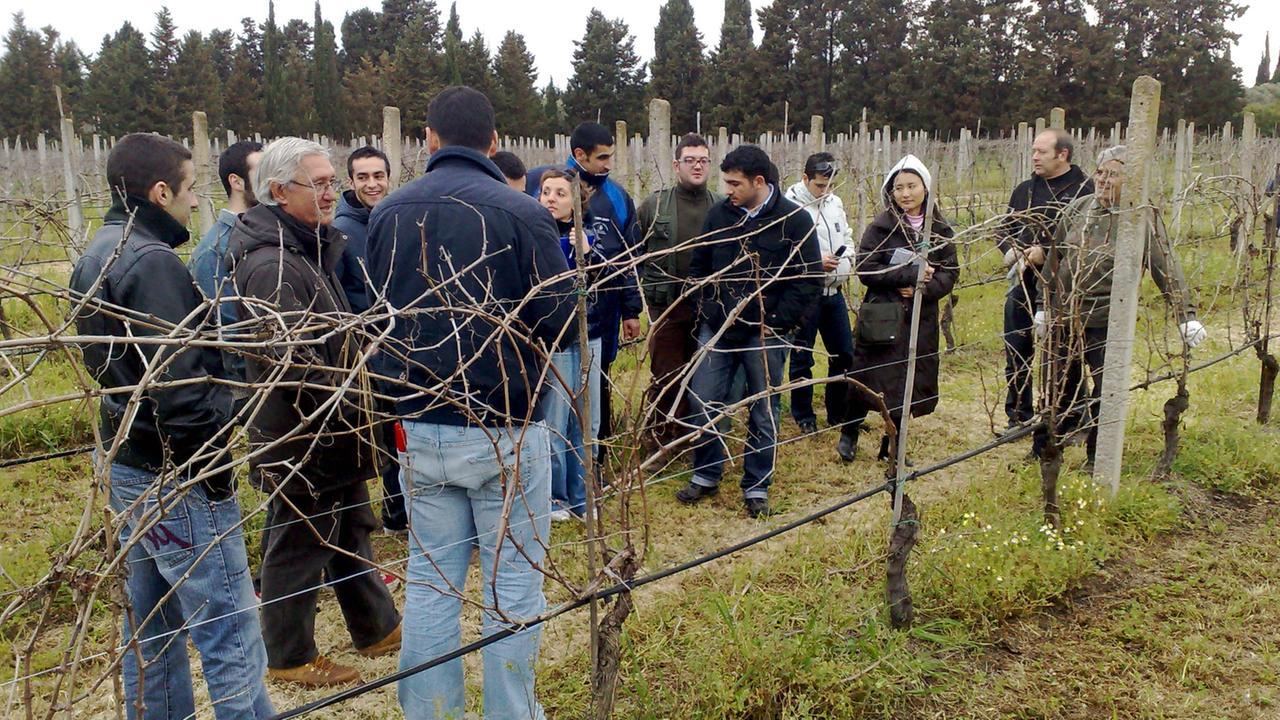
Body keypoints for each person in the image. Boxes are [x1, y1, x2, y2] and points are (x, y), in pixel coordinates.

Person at [365, 86, 575, 720]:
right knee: (512, 584)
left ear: (427, 139)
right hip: (504, 425)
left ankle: (430, 714)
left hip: (421, 423)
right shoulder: (522, 213)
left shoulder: (388, 212)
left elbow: (378, 317)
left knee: (431, 583)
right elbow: (559, 316)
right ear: (493, 142)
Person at [69, 133, 273, 719]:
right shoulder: (154, 264)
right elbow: (180, 392)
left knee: (153, 628)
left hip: (129, 464)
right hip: (176, 474)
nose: (193, 202)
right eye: (188, 189)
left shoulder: (102, 247)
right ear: (160, 192)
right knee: (230, 634)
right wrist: (211, 478)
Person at [228, 137, 401, 688]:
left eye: (333, 181)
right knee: (298, 544)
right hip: (304, 433)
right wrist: (339, 411)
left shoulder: (307, 246)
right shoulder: (272, 265)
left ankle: (375, 626)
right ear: (279, 191)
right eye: (320, 183)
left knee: (349, 528)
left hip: (337, 426)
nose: (334, 192)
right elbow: (294, 367)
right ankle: (288, 654)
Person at [1032, 145, 1206, 469]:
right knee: (1056, 388)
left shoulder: (1140, 217)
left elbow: (1165, 266)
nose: (1103, 180)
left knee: (1105, 392)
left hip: (1106, 321)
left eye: (1113, 174)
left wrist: (1186, 316)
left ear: (1132, 180)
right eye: (1100, 172)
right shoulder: (1077, 208)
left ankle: (1097, 459)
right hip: (1065, 318)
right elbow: (1054, 262)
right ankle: (1045, 453)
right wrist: (1045, 306)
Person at [676, 144, 820, 518]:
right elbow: (700, 267)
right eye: (725, 183)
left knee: (764, 408)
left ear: (759, 182)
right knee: (703, 398)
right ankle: (706, 474)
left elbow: (807, 282)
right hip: (718, 328)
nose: (728, 191)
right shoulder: (719, 216)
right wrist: (711, 310)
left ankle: (757, 486)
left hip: (766, 333)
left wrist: (774, 323)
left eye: (735, 184)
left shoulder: (793, 221)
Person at [527, 122, 640, 461]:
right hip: (550, 321)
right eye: (602, 157)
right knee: (557, 393)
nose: (608, 164)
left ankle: (595, 462)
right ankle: (552, 471)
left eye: (611, 156)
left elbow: (628, 256)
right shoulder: (542, 184)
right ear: (580, 155)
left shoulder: (618, 197)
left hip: (600, 314)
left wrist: (631, 309)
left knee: (596, 383)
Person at [837, 155, 960, 463]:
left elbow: (949, 272)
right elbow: (866, 268)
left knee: (909, 382)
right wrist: (909, 275)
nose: (905, 193)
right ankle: (849, 434)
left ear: (925, 188)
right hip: (883, 314)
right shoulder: (882, 226)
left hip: (921, 317)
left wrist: (927, 288)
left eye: (912, 186)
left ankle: (892, 444)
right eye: (898, 187)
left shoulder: (940, 229)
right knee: (867, 376)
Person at [537, 167, 642, 520]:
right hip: (555, 338)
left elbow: (612, 277)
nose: (551, 198)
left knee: (588, 420)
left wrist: (589, 254)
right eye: (546, 192)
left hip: (591, 333)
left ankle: (584, 496)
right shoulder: (536, 235)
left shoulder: (595, 234)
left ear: (576, 202)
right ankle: (554, 497)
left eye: (559, 193)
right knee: (555, 419)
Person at [332, 145, 408, 536]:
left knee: (404, 429)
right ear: (351, 181)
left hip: (402, 343)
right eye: (363, 177)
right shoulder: (340, 232)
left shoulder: (398, 218)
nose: (372, 183)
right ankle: (389, 514)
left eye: (378, 175)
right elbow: (339, 295)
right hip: (368, 352)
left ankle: (403, 511)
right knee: (381, 435)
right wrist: (360, 341)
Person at [997, 129, 1093, 431]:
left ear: (1062, 155)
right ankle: (1018, 417)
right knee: (1016, 348)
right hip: (1023, 283)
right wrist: (1012, 250)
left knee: (1064, 355)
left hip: (1064, 286)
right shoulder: (1025, 190)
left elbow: (1087, 239)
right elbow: (1004, 229)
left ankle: (1070, 417)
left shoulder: (1085, 190)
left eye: (1041, 152)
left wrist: (1049, 253)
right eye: (1034, 151)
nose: (1034, 157)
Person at [636, 133, 722, 450]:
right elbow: (635, 255)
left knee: (703, 377)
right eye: (690, 160)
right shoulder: (653, 206)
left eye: (703, 160)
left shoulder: (721, 207)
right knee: (667, 375)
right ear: (677, 165)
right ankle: (660, 441)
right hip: (667, 308)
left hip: (709, 309)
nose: (697, 166)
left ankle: (694, 438)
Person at [784, 152, 857, 436]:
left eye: (828, 185)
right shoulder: (790, 207)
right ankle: (803, 414)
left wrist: (846, 259)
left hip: (834, 292)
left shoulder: (835, 203)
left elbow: (847, 236)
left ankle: (837, 411)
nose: (824, 190)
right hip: (806, 295)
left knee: (844, 354)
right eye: (818, 185)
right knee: (802, 357)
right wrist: (815, 262)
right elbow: (784, 255)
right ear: (805, 179)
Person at [187, 139, 263, 399]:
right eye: (261, 174)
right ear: (237, 182)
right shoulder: (215, 251)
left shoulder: (266, 233)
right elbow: (230, 335)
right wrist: (250, 398)